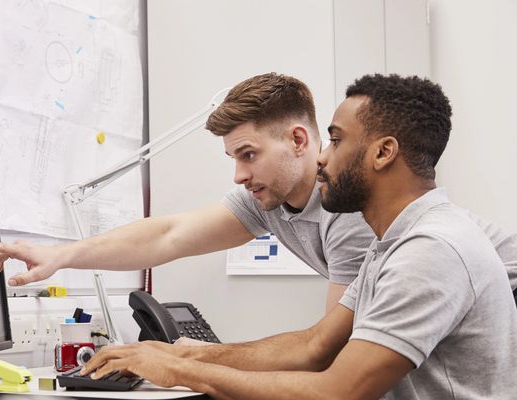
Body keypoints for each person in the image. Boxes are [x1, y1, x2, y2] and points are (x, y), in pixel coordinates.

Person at [79, 74, 517, 399]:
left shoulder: (429, 251)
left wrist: (183, 371)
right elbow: (313, 346)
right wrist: (181, 356)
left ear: (384, 152)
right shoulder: (392, 244)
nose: (322, 157)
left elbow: (336, 390)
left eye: (335, 140)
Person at [0, 72, 517, 313]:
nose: (239, 175)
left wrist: (194, 363)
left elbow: (329, 352)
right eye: (234, 159)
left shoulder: (350, 210)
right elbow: (169, 236)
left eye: (248, 154)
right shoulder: (272, 199)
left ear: (298, 140)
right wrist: (62, 255)